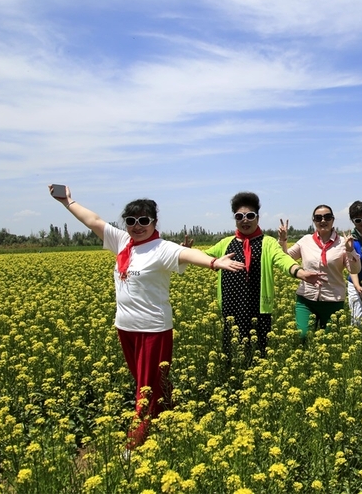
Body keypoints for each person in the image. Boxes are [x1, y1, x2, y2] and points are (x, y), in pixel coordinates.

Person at [49, 185, 244, 449]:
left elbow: (186, 254)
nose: (137, 226)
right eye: (131, 221)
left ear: (154, 222)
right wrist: (67, 201)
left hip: (153, 330)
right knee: (151, 382)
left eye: (143, 221)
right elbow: (93, 220)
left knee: (145, 388)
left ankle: (136, 440)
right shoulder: (122, 242)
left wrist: (213, 262)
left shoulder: (161, 248)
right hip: (125, 327)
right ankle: (171, 417)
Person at [203, 192, 322, 362]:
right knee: (231, 351)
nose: (245, 220)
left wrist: (300, 272)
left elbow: (283, 259)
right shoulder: (225, 243)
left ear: (257, 218)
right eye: (239, 216)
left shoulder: (268, 242)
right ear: (235, 219)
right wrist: (185, 251)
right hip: (231, 305)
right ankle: (234, 379)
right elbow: (204, 257)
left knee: (259, 353)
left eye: (250, 215)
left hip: (257, 307)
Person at [278, 205, 361, 339]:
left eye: (327, 217)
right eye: (318, 218)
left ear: (333, 220)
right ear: (314, 221)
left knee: (330, 342)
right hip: (306, 299)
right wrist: (283, 240)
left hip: (332, 301)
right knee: (303, 336)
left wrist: (350, 251)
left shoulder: (342, 243)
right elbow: (285, 258)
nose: (323, 221)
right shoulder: (305, 241)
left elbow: (355, 270)